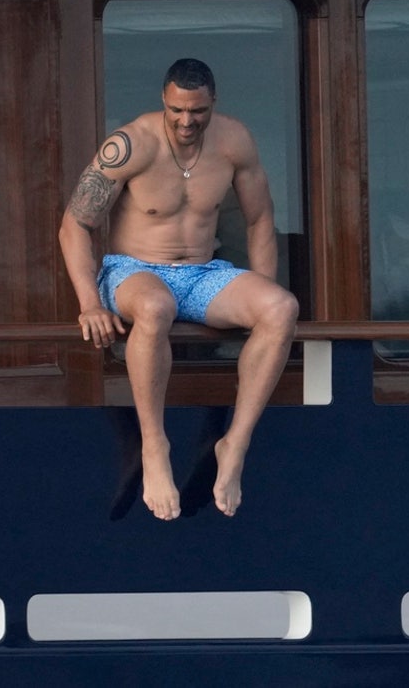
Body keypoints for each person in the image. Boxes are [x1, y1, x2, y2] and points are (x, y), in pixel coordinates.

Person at [58, 58, 299, 521]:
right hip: (134, 272)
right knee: (154, 305)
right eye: (177, 111)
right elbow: (74, 225)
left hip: (203, 274)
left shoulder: (234, 141)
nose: (187, 122)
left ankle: (235, 443)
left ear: (213, 104)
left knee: (281, 307)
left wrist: (257, 298)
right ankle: (154, 447)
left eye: (198, 112)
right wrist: (89, 303)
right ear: (163, 102)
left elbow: (260, 219)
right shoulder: (129, 144)